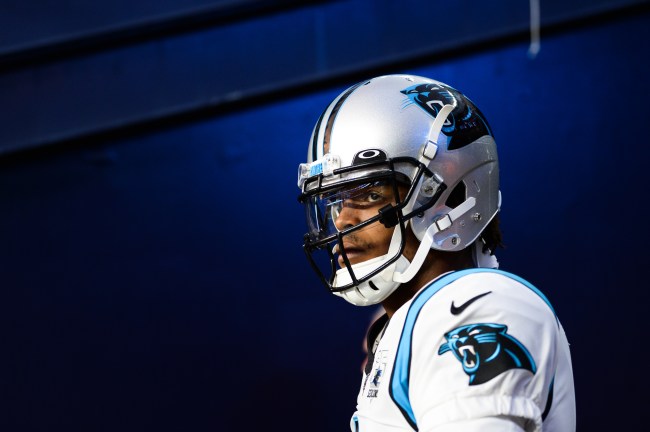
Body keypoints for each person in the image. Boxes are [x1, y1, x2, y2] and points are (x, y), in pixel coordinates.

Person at [296, 74, 576, 431]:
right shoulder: (408, 321)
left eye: (370, 195)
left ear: (452, 197)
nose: (341, 221)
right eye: (335, 202)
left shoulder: (474, 305)